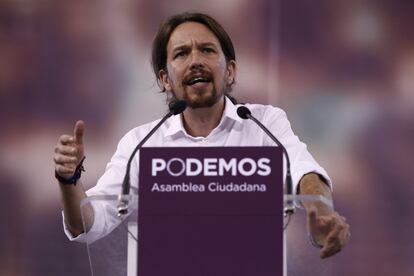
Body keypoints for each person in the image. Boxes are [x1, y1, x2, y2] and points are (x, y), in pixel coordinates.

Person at [53, 12, 350, 259]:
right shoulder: (140, 143)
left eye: (207, 50)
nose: (196, 60)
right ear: (165, 79)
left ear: (230, 71)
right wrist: (70, 180)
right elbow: (91, 223)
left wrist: (321, 212)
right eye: (181, 53)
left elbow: (304, 174)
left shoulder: (264, 123)